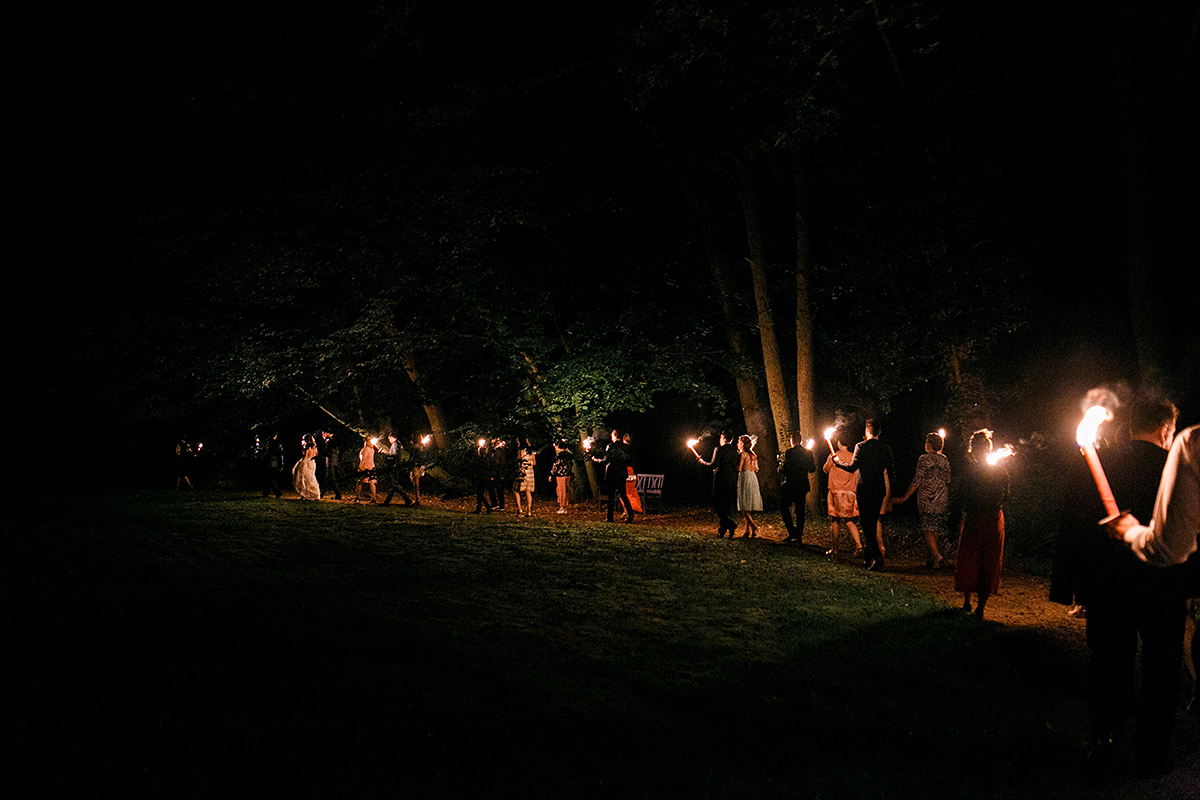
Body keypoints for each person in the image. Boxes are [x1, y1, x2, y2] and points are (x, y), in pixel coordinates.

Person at [1096, 409, 1196, 778]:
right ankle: (1152, 751)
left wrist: (1076, 584)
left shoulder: (1105, 459)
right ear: (1165, 428)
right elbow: (1184, 536)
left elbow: (1077, 525)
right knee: (1162, 668)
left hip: (1111, 583)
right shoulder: (1177, 458)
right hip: (1164, 585)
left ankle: (1105, 744)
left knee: (1110, 663)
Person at [953, 429, 1009, 618]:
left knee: (970, 558)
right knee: (988, 560)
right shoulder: (1000, 471)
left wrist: (956, 517)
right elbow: (1007, 495)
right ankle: (980, 608)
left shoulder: (971, 471)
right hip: (992, 518)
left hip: (977, 518)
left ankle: (968, 603)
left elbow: (961, 497)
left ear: (973, 451)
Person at [833, 419, 895, 570]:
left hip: (865, 489)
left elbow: (852, 467)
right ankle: (868, 558)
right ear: (879, 432)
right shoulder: (886, 448)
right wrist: (893, 494)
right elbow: (892, 473)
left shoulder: (861, 446)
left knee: (867, 525)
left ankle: (877, 556)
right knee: (872, 522)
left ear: (867, 431)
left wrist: (837, 462)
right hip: (879, 489)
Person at [896, 432, 951, 568]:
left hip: (927, 495)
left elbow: (918, 479)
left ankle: (938, 555)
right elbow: (948, 479)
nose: (925, 445)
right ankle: (933, 559)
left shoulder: (923, 459)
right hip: (941, 496)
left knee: (927, 526)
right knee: (934, 526)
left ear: (930, 444)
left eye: (926, 442)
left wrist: (906, 496)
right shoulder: (945, 459)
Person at [692, 430, 740, 537]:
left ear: (723, 438)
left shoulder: (719, 449)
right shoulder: (735, 451)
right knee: (726, 505)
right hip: (732, 479)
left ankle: (730, 525)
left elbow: (713, 465)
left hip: (721, 479)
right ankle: (722, 531)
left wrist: (701, 461)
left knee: (715, 502)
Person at [823, 433, 863, 557]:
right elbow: (856, 475)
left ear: (839, 443)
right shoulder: (853, 457)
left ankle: (835, 549)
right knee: (849, 520)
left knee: (835, 520)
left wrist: (831, 460)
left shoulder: (834, 456)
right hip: (850, 492)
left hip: (836, 491)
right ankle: (859, 545)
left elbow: (825, 469)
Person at [779, 432, 816, 544]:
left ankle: (792, 532)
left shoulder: (789, 453)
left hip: (791, 484)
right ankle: (798, 535)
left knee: (784, 507)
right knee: (800, 511)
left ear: (792, 441)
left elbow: (785, 469)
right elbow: (812, 469)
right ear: (801, 440)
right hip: (802, 485)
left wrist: (780, 468)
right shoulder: (808, 453)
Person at [593, 429, 634, 523]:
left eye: (612, 435)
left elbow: (606, 460)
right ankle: (630, 515)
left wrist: (597, 460)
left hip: (612, 474)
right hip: (622, 474)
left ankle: (610, 517)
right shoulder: (625, 447)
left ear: (614, 436)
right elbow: (628, 461)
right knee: (623, 495)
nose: (611, 436)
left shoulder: (610, 446)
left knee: (611, 496)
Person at [736, 435, 763, 537]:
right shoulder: (753, 455)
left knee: (743, 505)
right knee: (747, 506)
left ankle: (753, 526)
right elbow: (756, 469)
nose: (738, 444)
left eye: (739, 442)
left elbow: (739, 468)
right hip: (752, 477)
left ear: (742, 444)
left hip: (745, 477)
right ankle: (746, 530)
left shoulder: (742, 455)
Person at [382, 433, 415, 507]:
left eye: (389, 439)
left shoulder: (395, 444)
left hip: (394, 466)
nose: (389, 440)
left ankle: (407, 499)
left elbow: (394, 455)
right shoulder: (399, 444)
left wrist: (386, 453)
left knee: (395, 484)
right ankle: (387, 501)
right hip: (396, 466)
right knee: (392, 484)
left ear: (391, 437)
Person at [292, 434, 320, 500]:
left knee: (303, 478)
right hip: (312, 462)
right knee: (311, 477)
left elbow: (305, 456)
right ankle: (313, 493)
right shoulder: (315, 447)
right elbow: (316, 454)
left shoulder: (307, 447)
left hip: (306, 462)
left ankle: (305, 494)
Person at [513, 439, 536, 516]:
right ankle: (529, 510)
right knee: (528, 491)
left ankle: (520, 509)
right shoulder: (532, 451)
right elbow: (534, 463)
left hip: (523, 472)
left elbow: (520, 459)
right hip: (530, 473)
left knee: (516, 490)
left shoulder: (521, 450)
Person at [316, 430, 341, 500]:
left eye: (324, 433)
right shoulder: (330, 440)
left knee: (330, 477)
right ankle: (336, 494)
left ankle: (321, 494)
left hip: (331, 461)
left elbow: (327, 450)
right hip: (331, 460)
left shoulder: (331, 440)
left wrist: (324, 441)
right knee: (329, 478)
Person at [549, 441, 573, 514]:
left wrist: (551, 474)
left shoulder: (560, 456)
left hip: (561, 475)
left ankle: (562, 506)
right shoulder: (569, 456)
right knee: (563, 489)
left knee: (561, 490)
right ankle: (564, 505)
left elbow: (556, 466)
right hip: (568, 474)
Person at [260, 432, 285, 498]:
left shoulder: (268, 443)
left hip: (270, 462)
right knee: (269, 478)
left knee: (269, 478)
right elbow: (280, 455)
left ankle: (275, 492)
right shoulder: (276, 444)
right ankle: (268, 493)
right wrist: (281, 465)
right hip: (273, 462)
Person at [357, 436, 379, 504]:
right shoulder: (372, 449)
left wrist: (360, 467)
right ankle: (373, 497)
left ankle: (358, 496)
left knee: (359, 481)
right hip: (371, 466)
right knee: (372, 482)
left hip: (366, 467)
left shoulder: (366, 449)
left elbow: (364, 459)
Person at [473, 439, 493, 514]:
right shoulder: (485, 460)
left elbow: (481, 469)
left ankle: (485, 507)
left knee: (480, 494)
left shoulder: (482, 461)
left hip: (482, 478)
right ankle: (480, 508)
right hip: (484, 478)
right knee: (480, 494)